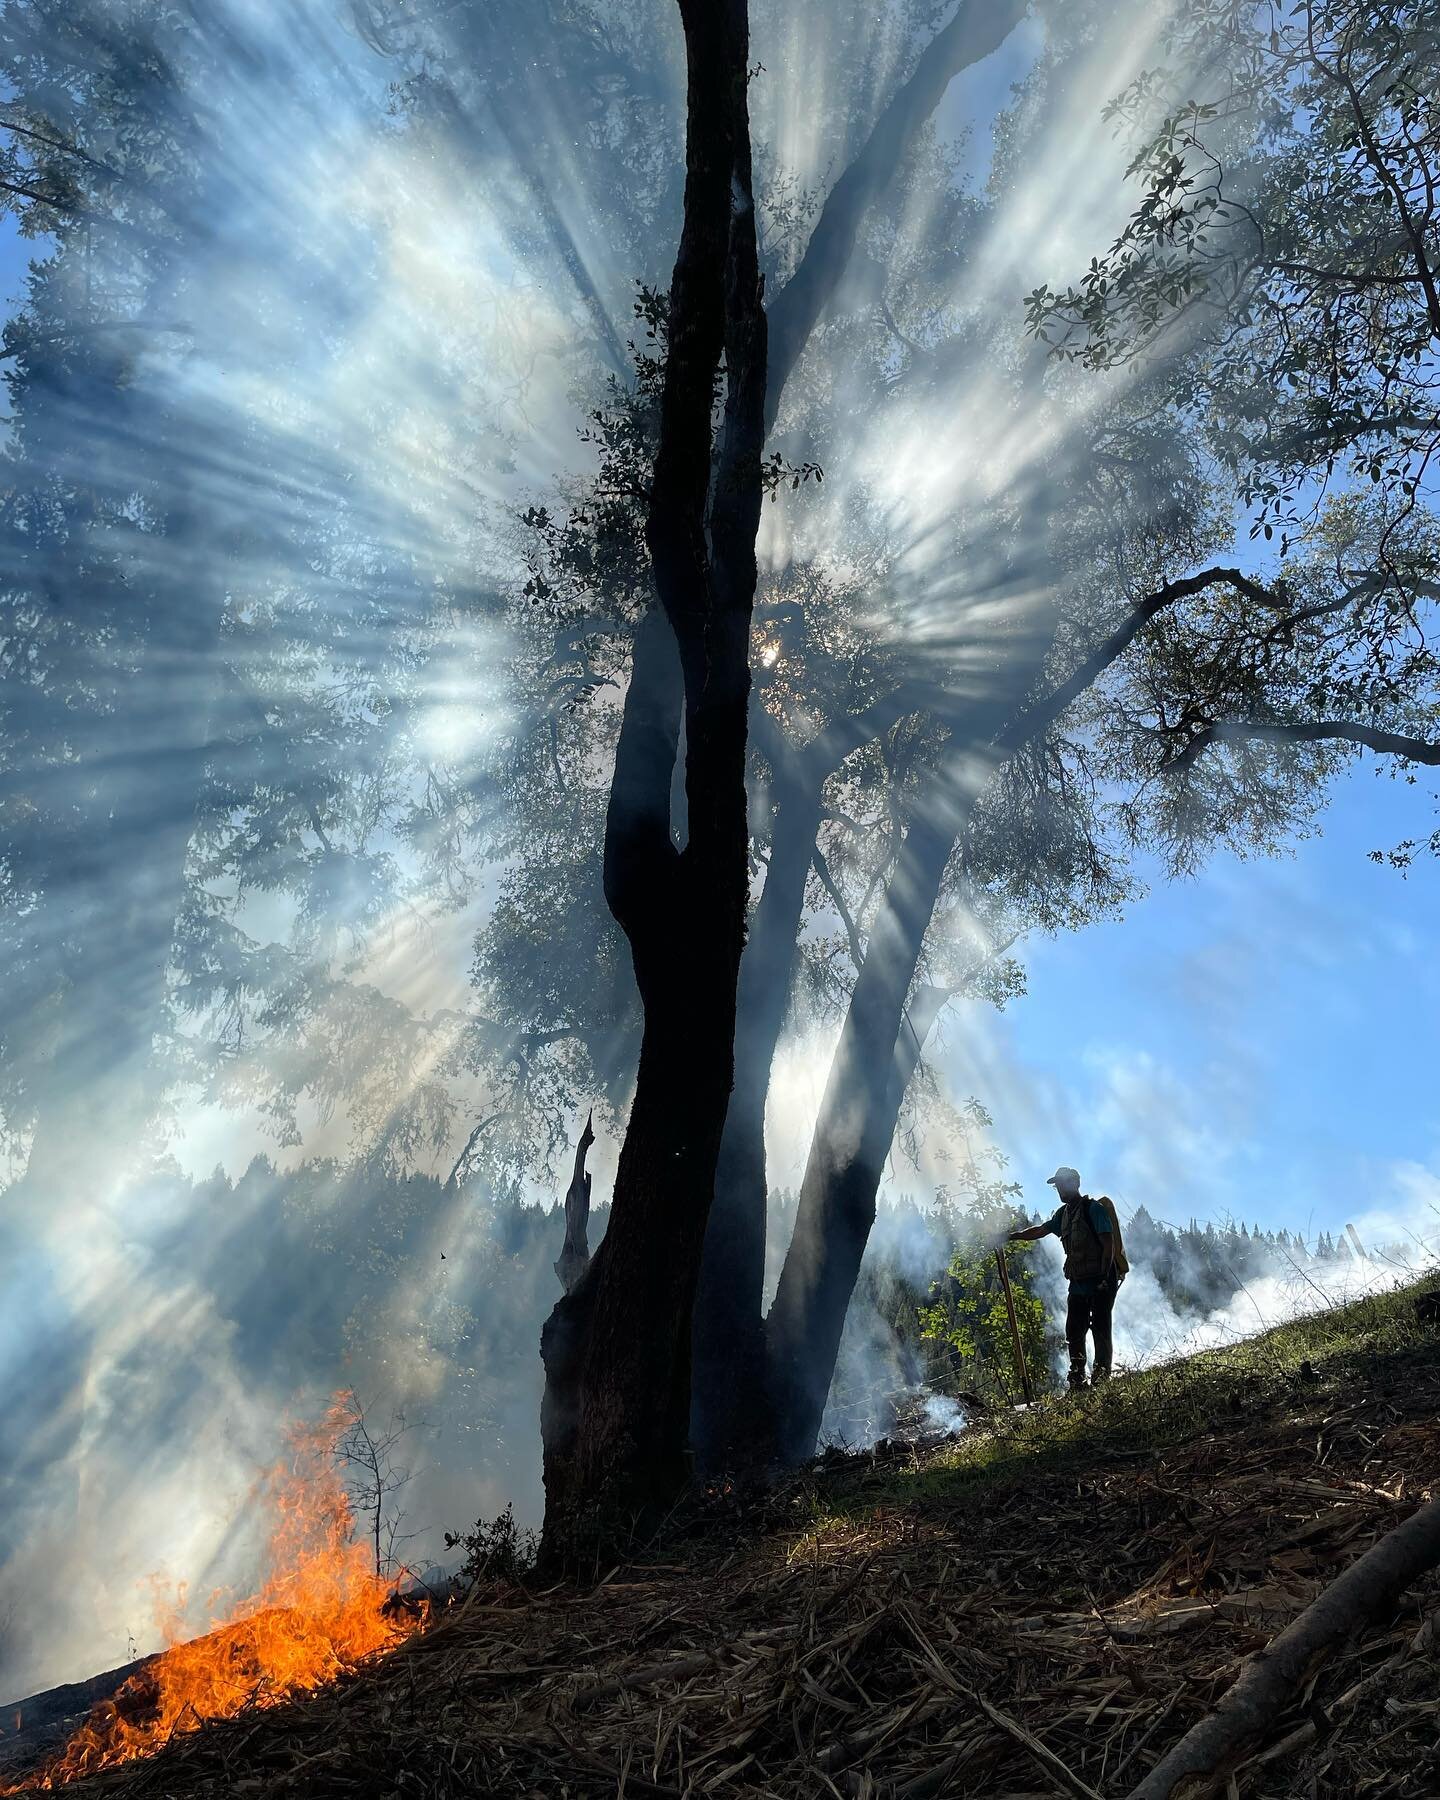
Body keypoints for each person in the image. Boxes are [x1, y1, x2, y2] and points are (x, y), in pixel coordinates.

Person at [1007, 1166, 1120, 1390]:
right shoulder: (1063, 1215)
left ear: (1076, 1184)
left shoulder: (1093, 1209)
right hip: (1078, 1283)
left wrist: (1105, 1278)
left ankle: (1102, 1379)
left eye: (1064, 1184)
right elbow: (1041, 1230)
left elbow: (1109, 1245)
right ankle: (1078, 1380)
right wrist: (1012, 1236)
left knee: (1100, 1329)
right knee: (1074, 1331)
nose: (1060, 1189)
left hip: (1101, 1281)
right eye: (1057, 1186)